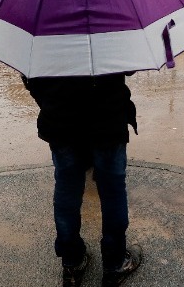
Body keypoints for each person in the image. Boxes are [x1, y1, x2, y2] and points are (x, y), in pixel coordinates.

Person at [23, 73, 142, 287]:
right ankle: (115, 262)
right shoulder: (110, 37)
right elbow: (130, 63)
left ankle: (73, 261)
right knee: (113, 192)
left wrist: (51, 102)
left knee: (67, 191)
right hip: (107, 118)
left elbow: (31, 78)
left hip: (61, 121)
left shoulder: (45, 38)